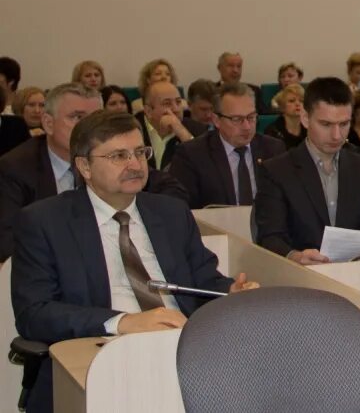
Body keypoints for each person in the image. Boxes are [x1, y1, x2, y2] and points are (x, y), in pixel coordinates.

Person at [11, 110, 258, 413]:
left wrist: (231, 292)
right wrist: (124, 322)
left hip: (179, 353)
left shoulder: (171, 212)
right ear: (84, 166)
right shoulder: (45, 221)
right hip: (100, 356)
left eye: (140, 152)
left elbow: (204, 280)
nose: (135, 164)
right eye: (118, 156)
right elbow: (34, 313)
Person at [255, 77, 360, 264]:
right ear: (305, 118)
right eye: (326, 124)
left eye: (344, 124)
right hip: (301, 275)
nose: (336, 135)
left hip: (357, 274)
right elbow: (270, 237)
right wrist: (295, 256)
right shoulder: (276, 171)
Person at [0, 84, 103, 260]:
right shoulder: (14, 169)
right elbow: (7, 242)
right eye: (77, 117)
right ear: (48, 123)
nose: (89, 128)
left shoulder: (111, 161)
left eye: (96, 119)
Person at [168, 83, 286, 209]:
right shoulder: (192, 155)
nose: (247, 126)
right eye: (237, 119)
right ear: (216, 120)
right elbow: (180, 207)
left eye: (251, 117)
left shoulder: (273, 150)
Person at [136, 81, 206, 170]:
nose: (176, 109)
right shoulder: (133, 129)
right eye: (167, 103)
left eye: (178, 102)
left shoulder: (197, 129)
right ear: (149, 111)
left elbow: (206, 168)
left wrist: (183, 134)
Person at [264, 83, 307, 149]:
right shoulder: (272, 131)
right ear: (282, 106)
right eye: (291, 101)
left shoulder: (310, 129)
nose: (298, 104)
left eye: (301, 101)